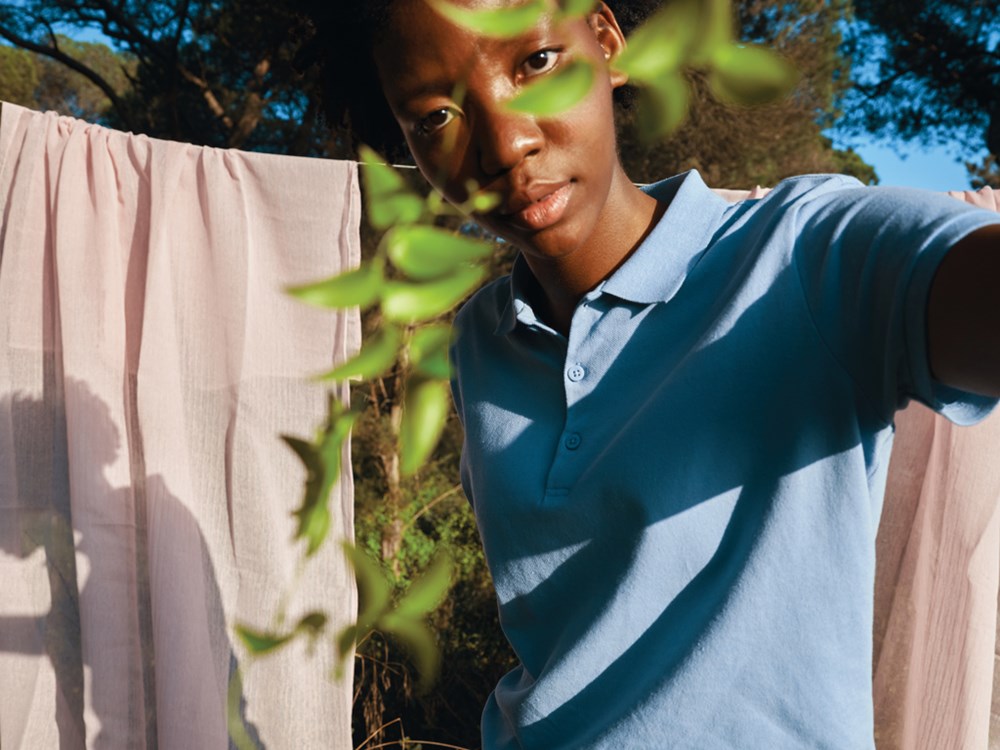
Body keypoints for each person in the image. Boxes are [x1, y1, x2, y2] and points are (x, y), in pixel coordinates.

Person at [297, 1, 1000, 747]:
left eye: (536, 62)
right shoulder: (480, 340)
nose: (506, 145)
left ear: (606, 42)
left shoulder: (803, 254)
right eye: (436, 116)